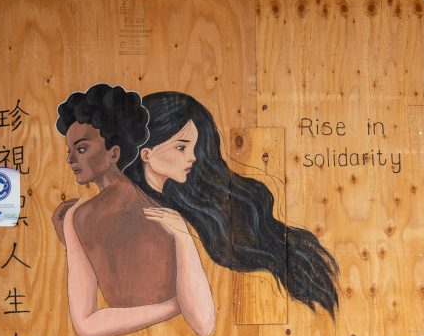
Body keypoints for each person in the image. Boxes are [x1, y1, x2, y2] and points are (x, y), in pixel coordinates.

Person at [125, 91, 340, 318]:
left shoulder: (187, 208)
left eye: (194, 148)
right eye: (181, 147)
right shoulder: (140, 213)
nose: (193, 157)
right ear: (146, 153)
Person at [52, 84, 216, 336]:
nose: (70, 159)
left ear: (114, 153)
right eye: (70, 150)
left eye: (81, 149)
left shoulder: (78, 217)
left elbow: (204, 324)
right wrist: (175, 305)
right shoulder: (76, 217)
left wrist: (183, 237)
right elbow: (85, 328)